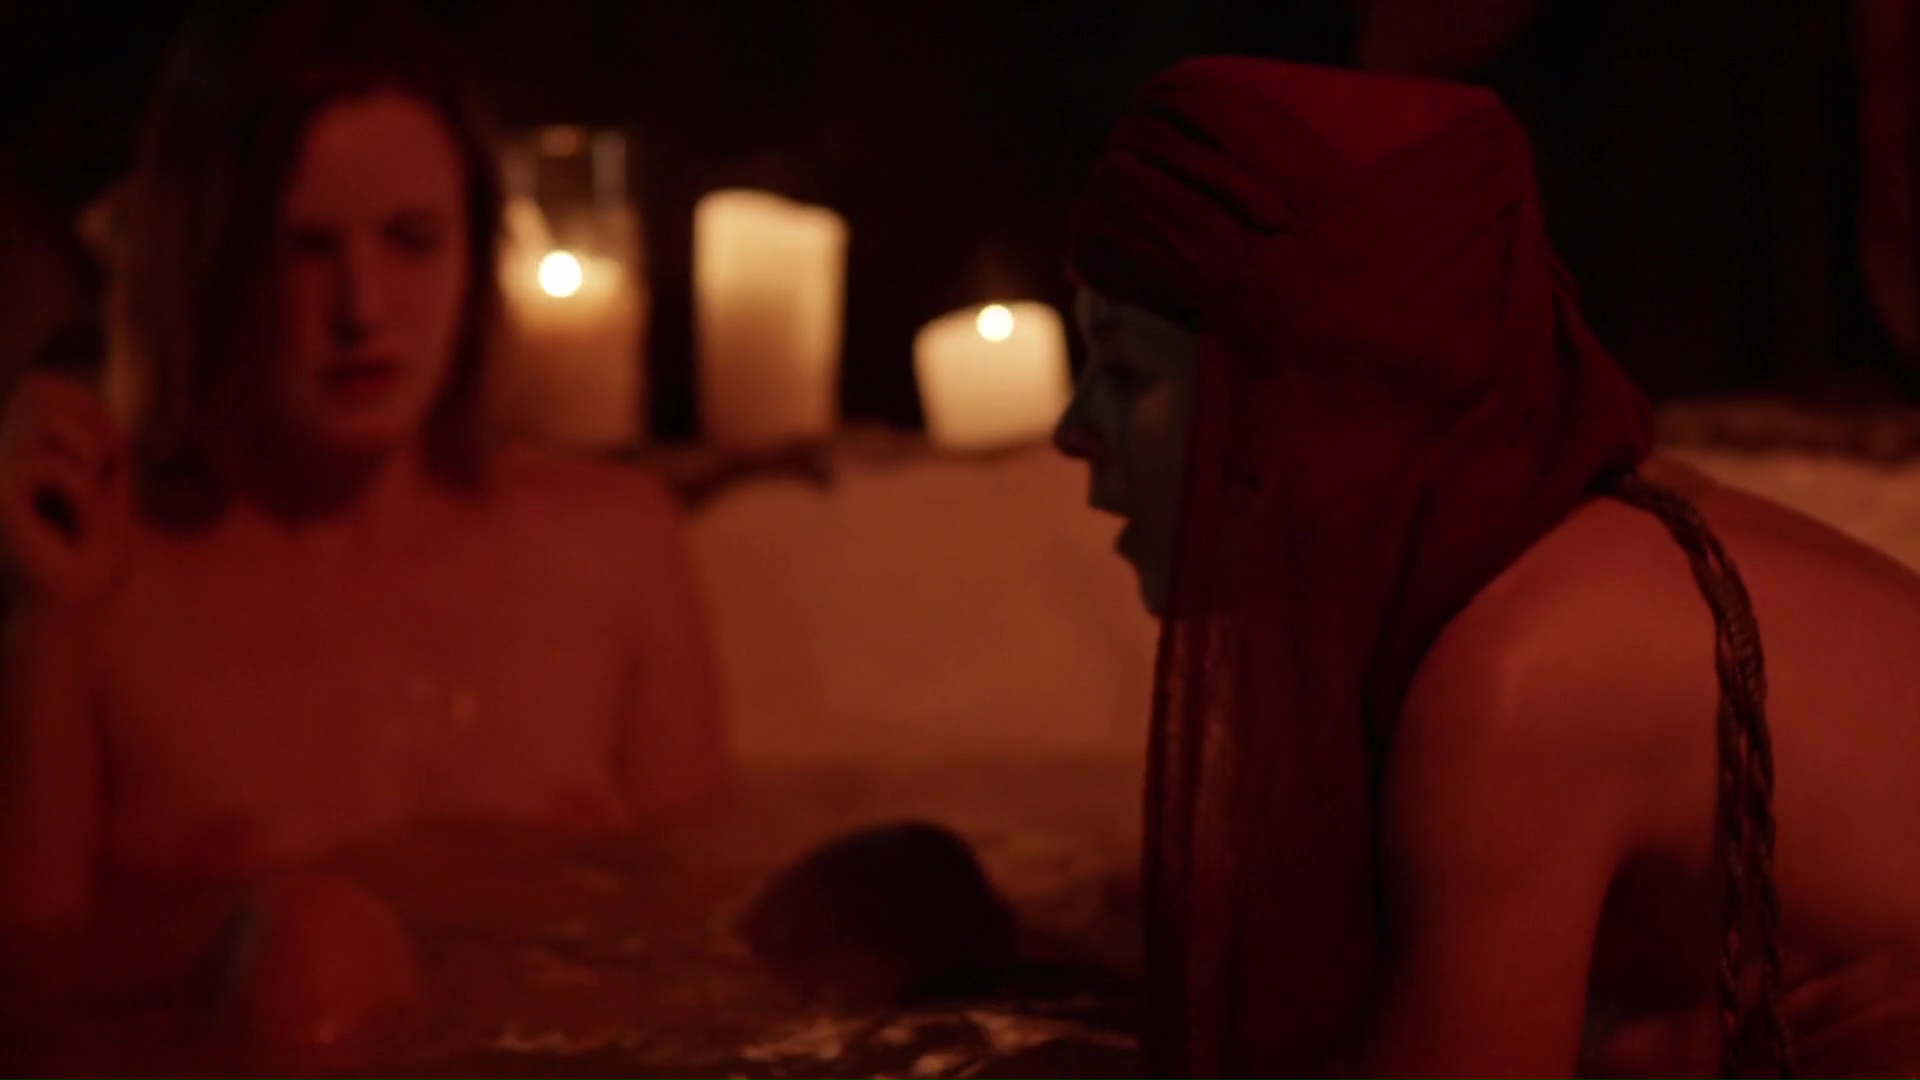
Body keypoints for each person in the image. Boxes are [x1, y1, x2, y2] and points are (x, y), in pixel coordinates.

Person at [1053, 58, 1920, 1079]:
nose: (1075, 432)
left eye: (1125, 373)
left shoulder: (1522, 681)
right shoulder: (1560, 531)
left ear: (1308, 396)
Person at [0, 0, 726, 1035]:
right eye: (304, 248)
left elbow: (710, 945)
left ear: (475, 251)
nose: (363, 308)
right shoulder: (102, 587)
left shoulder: (611, 549)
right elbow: (29, 991)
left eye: (412, 241)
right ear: (204, 258)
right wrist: (46, 630)